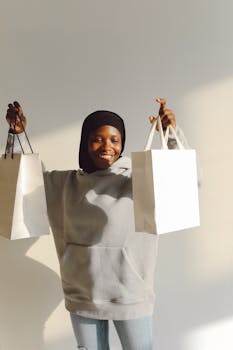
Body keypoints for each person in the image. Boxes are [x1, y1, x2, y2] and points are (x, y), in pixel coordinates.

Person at [5, 99, 187, 350]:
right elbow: (27, 182)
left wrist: (171, 138)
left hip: (130, 293)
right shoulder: (66, 183)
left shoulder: (137, 180)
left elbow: (183, 182)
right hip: (83, 292)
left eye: (114, 139)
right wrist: (17, 135)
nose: (107, 146)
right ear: (85, 142)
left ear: (122, 143)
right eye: (98, 138)